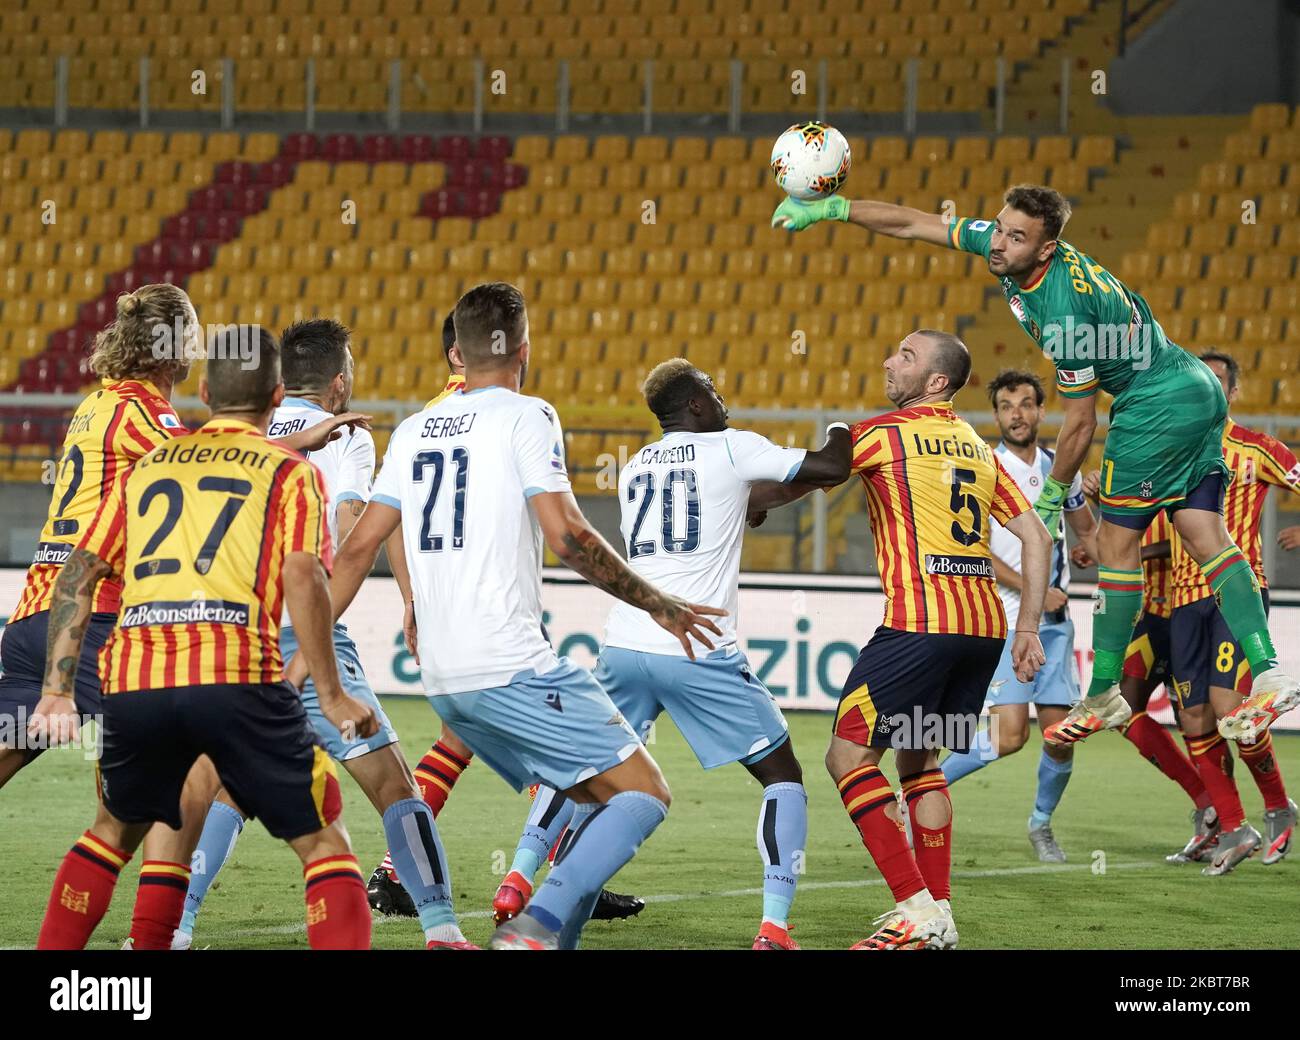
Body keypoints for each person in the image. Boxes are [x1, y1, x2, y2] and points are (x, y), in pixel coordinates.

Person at [773, 184, 1298, 746]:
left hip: (1154, 403)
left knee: (1116, 547)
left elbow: (1080, 424)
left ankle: (1102, 693)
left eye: (1016, 237)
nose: (998, 242)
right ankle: (1269, 671)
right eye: (999, 228)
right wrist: (836, 208)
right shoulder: (1007, 251)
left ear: (1045, 250)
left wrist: (1051, 497)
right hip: (1195, 388)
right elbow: (914, 223)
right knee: (1204, 533)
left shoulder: (1064, 313)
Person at [293, 282, 725, 949]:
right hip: (509, 663)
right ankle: (538, 925)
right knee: (643, 793)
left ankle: (546, 933)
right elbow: (570, 537)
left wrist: (306, 655)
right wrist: (659, 603)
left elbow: (350, 555)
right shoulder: (530, 417)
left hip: (443, 678)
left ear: (456, 354)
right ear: (523, 348)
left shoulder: (411, 432)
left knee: (587, 803)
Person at [30, 327, 379, 949]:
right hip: (235, 681)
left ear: (206, 392)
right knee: (325, 844)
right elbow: (304, 576)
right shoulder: (290, 473)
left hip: (137, 680)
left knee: (112, 831)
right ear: (277, 396)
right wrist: (330, 694)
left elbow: (78, 574)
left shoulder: (148, 466)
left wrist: (58, 690)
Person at [496, 358, 851, 950]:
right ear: (696, 405)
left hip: (625, 642)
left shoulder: (635, 468)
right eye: (714, 391)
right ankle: (774, 928)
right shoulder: (732, 447)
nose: (723, 401)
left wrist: (759, 502)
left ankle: (518, 876)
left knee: (589, 768)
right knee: (781, 775)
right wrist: (845, 429)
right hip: (695, 642)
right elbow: (832, 467)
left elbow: (743, 500)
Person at [173, 319, 472, 949]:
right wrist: (320, 650)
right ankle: (442, 930)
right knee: (395, 787)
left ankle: (175, 928)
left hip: (232, 632)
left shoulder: (239, 433)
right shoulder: (349, 438)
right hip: (304, 631)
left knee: (225, 786)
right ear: (339, 383)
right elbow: (350, 536)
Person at [752, 330, 1051, 950]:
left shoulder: (883, 432)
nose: (890, 361)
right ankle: (938, 913)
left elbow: (809, 477)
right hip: (983, 628)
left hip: (919, 626)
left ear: (937, 381)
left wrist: (749, 504)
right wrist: (1027, 628)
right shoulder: (975, 445)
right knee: (921, 763)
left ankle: (913, 906)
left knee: (847, 758)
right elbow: (1037, 539)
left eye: (907, 357)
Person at [936, 370, 1097, 863]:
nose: (1017, 414)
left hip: (1054, 624)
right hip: (1005, 621)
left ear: (1041, 412)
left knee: (1060, 737)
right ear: (998, 415)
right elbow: (976, 549)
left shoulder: (1059, 468)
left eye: (1026, 404)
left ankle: (1041, 825)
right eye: (1007, 406)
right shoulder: (984, 468)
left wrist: (1097, 515)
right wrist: (1034, 589)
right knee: (1009, 737)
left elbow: (1087, 538)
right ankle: (923, 788)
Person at [1163, 351, 1297, 874]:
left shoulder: (1258, 447)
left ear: (1233, 393)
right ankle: (1236, 825)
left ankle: (1279, 807)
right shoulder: (1170, 448)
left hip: (1235, 595)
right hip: (1182, 600)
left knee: (1229, 709)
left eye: (1218, 382)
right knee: (1194, 719)